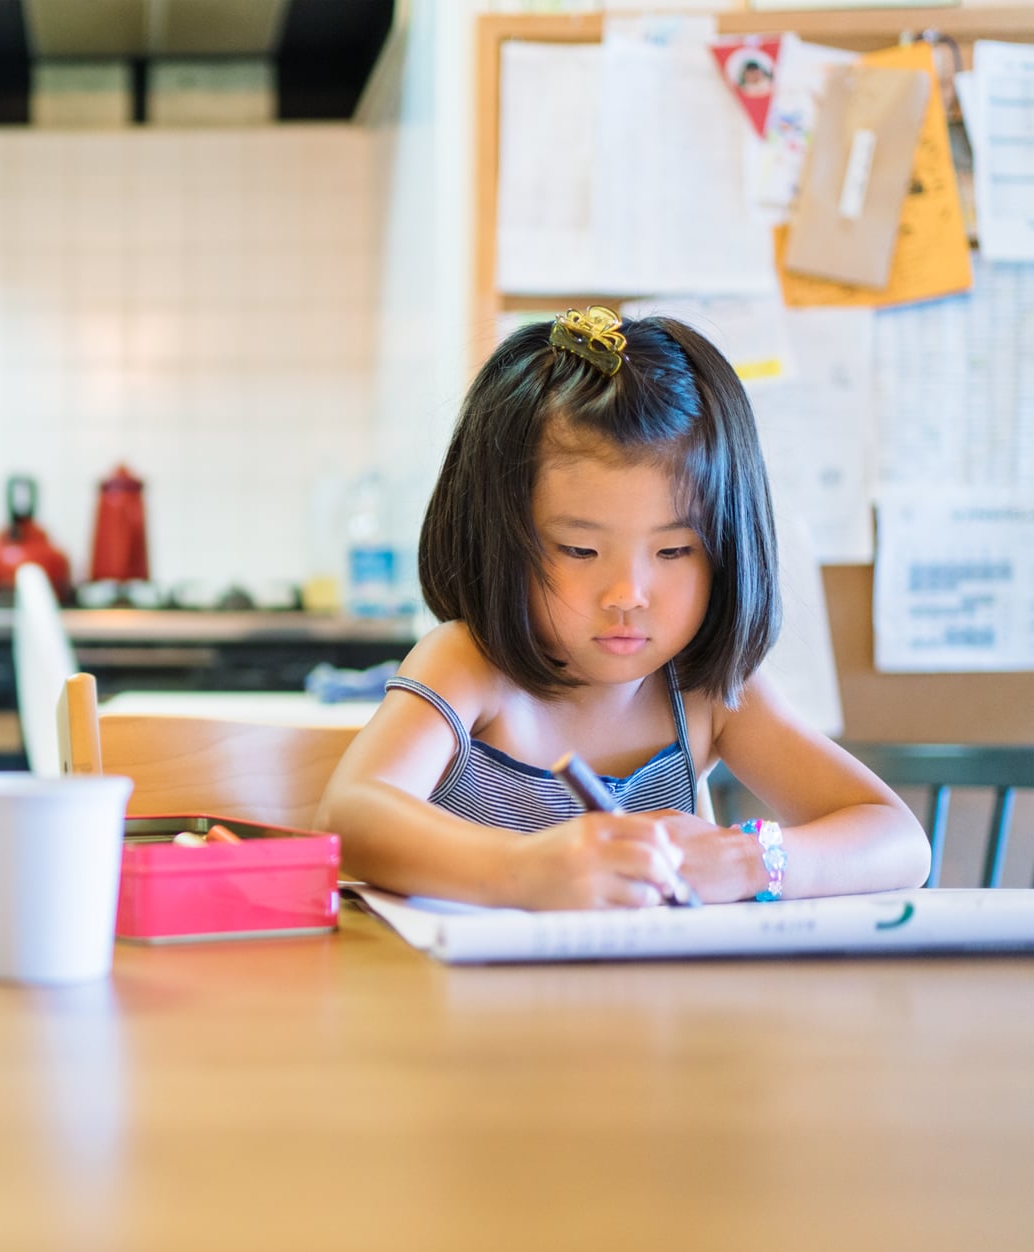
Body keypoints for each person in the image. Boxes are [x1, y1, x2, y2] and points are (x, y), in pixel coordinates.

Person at [318, 308, 930, 909]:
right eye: (579, 549)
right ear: (497, 539)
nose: (627, 595)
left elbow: (899, 841)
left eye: (674, 549)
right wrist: (519, 871)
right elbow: (350, 813)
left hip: (653, 1007)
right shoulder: (470, 665)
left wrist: (750, 860)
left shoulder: (704, 690)